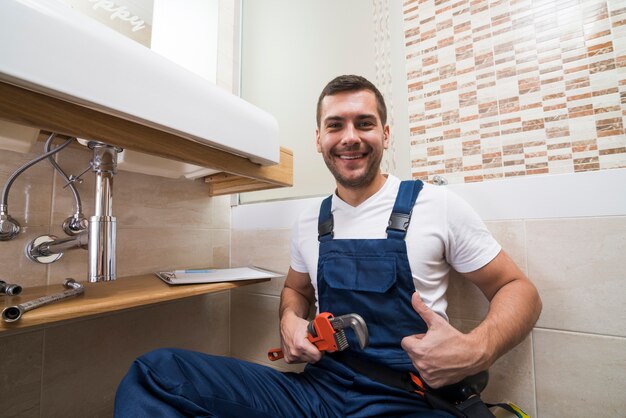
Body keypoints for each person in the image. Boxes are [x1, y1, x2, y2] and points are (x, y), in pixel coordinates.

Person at [114, 75, 542, 417]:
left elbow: (517, 288)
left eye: (365, 123)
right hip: (317, 392)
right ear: (318, 138)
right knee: (155, 372)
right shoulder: (311, 220)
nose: (349, 137)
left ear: (386, 134)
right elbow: (296, 290)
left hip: (410, 400)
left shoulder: (437, 205)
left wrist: (478, 347)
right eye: (335, 125)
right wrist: (289, 322)